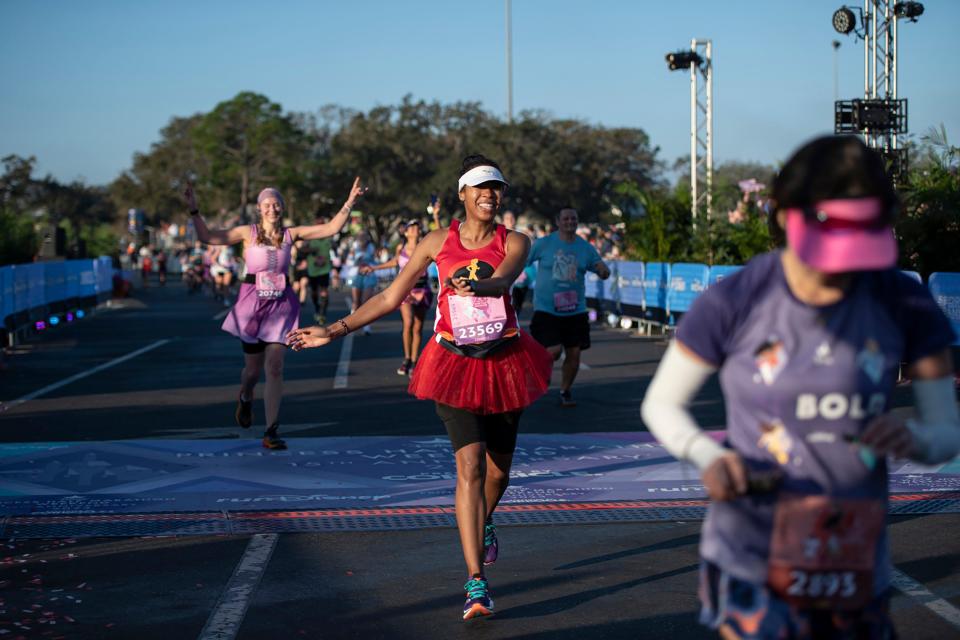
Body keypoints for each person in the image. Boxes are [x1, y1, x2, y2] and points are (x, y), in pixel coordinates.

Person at [641, 135, 960, 640]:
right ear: (787, 217)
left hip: (855, 559)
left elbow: (947, 429)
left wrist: (916, 440)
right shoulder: (737, 298)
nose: (841, 273)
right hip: (753, 557)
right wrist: (707, 456)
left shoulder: (905, 301)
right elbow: (662, 403)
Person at [287, 155, 553, 620]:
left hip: (506, 361)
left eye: (497, 188)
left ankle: (484, 521)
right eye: (481, 188)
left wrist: (484, 287)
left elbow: (507, 276)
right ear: (463, 195)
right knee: (468, 469)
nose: (490, 195)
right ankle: (476, 583)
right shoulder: (435, 242)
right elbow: (392, 296)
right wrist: (334, 328)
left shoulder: (517, 240)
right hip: (452, 362)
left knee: (497, 474)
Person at [185, 177, 366, 450]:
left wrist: (350, 202)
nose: (272, 208)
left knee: (276, 366)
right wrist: (194, 210)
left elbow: (330, 229)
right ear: (259, 208)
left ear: (282, 207)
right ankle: (245, 397)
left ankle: (271, 429)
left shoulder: (291, 234)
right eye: (267, 204)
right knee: (252, 371)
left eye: (276, 204)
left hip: (281, 305)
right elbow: (208, 237)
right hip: (251, 305)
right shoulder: (248, 233)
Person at [526, 207, 611, 407]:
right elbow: (523, 259)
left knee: (574, 354)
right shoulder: (544, 243)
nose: (570, 222)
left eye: (573, 218)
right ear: (558, 221)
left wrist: (602, 270)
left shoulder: (585, 247)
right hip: (547, 309)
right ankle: (539, 375)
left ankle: (565, 391)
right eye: (566, 219)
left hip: (576, 309)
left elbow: (598, 265)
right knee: (553, 351)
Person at [360, 219, 434, 375]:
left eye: (417, 227)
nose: (414, 230)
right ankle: (406, 359)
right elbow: (395, 262)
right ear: (406, 232)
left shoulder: (426, 246)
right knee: (408, 323)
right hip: (405, 290)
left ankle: (414, 361)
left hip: (422, 290)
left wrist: (435, 216)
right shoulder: (401, 248)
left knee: (418, 327)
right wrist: (374, 267)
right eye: (411, 228)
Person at [341, 230, 377, 335]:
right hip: (357, 275)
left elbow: (374, 260)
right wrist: (355, 260)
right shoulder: (354, 246)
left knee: (366, 302)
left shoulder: (371, 247)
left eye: (364, 236)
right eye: (360, 236)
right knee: (356, 301)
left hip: (369, 276)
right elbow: (349, 261)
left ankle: (366, 326)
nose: (362, 238)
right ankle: (350, 325)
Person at [304, 216, 334, 324]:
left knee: (324, 292)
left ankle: (322, 313)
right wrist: (312, 250)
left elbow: (334, 247)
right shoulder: (310, 238)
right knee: (314, 293)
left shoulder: (328, 238)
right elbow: (303, 249)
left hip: (324, 270)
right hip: (313, 270)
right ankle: (317, 308)